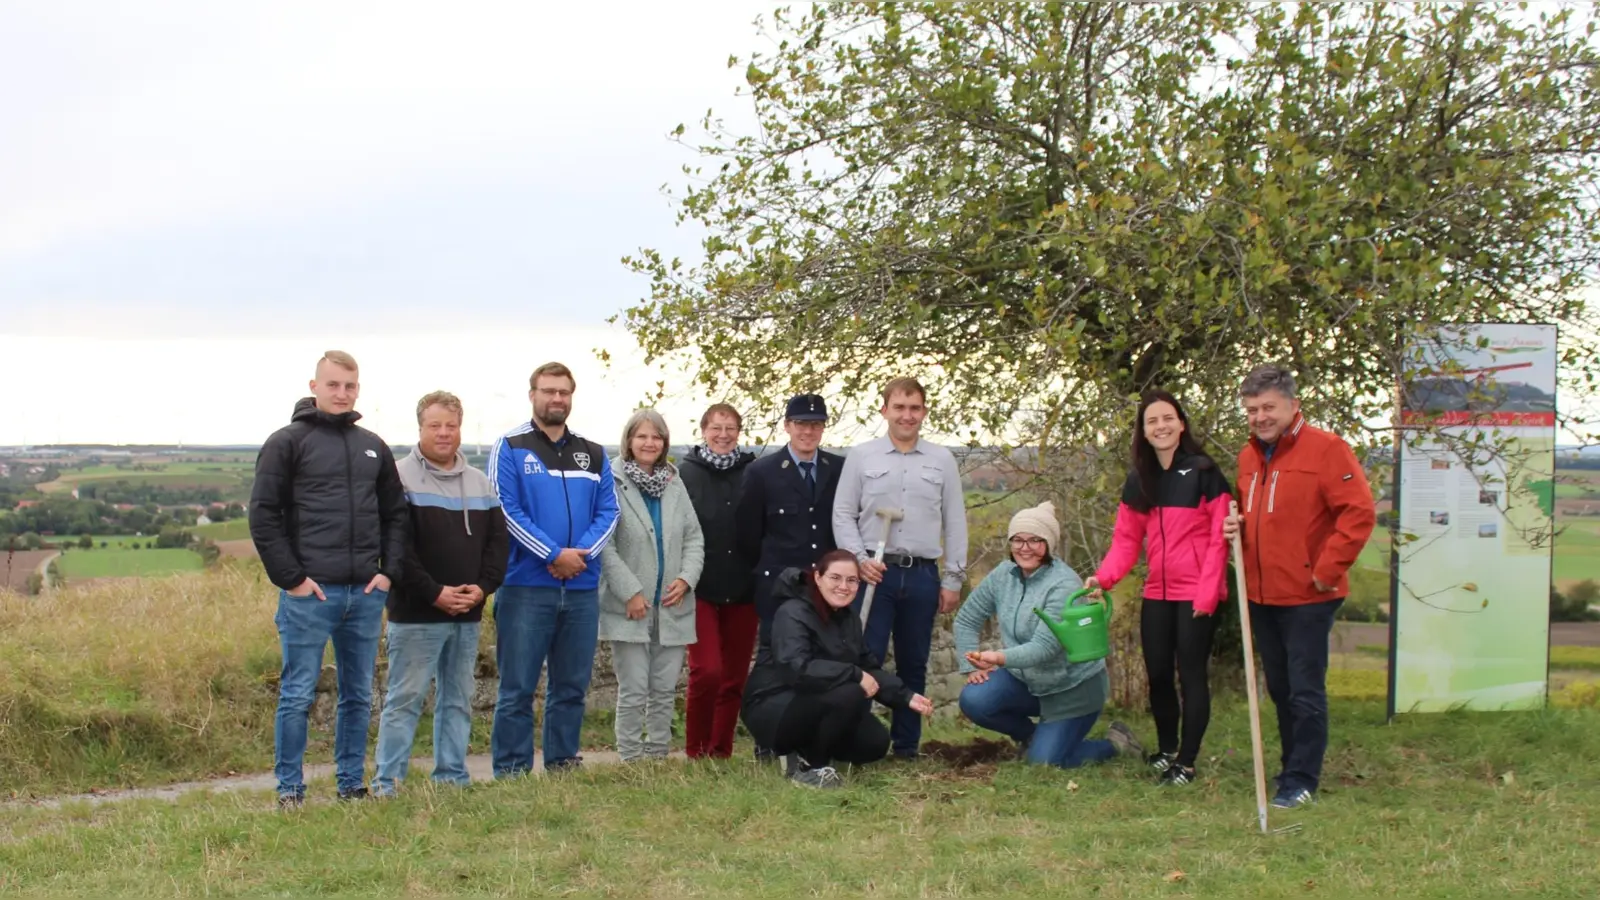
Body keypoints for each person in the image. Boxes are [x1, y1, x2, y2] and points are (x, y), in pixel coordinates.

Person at [248, 350, 407, 808]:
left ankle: (350, 786)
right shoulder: (286, 442)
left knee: (358, 696)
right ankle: (290, 790)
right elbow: (263, 515)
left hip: (365, 593)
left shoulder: (372, 445)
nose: (342, 393)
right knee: (297, 694)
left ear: (358, 389)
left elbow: (396, 515)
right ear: (314, 386)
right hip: (310, 594)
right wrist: (292, 579)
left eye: (350, 386)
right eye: (333, 384)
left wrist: (388, 573)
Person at [1222, 364, 1375, 810]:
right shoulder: (1248, 457)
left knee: (1305, 690)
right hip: (1261, 592)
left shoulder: (1327, 450)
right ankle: (1291, 767)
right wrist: (1236, 528)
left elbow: (1358, 513)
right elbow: (1256, 517)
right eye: (1252, 410)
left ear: (1292, 405)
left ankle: (1302, 780)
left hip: (1310, 594)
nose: (1260, 417)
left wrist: (1327, 570)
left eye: (1268, 407)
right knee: (1281, 688)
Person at [1084, 390, 1232, 786]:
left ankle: (1186, 763)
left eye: (1168, 418)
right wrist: (1104, 578)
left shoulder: (1204, 471)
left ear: (1181, 424)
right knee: (1159, 675)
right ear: (1144, 431)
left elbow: (1219, 539)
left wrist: (1209, 592)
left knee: (1192, 676)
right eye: (1152, 421)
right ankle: (1167, 750)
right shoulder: (1140, 480)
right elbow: (1126, 541)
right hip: (1157, 592)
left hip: (1197, 592)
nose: (1161, 426)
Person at [372, 391, 508, 797]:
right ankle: (388, 784)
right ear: (420, 428)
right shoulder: (397, 477)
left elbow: (498, 546)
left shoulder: (480, 483)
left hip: (467, 613)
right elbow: (396, 549)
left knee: (458, 700)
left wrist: (482, 589)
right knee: (404, 699)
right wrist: (434, 593)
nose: (444, 433)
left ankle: (451, 779)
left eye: (451, 425)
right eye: (435, 426)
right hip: (416, 614)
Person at [488, 361, 620, 776]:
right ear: (533, 395)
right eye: (548, 391)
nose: (557, 398)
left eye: (564, 392)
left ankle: (562, 761)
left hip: (581, 587)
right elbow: (505, 511)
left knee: (571, 686)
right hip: (526, 587)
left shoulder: (593, 453)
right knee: (517, 688)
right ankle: (512, 770)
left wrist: (579, 555)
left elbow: (609, 511)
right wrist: (552, 554)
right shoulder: (510, 446)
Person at [832, 377, 968, 759]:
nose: (907, 415)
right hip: (874, 574)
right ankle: (856, 744)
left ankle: (907, 747)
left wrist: (953, 577)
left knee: (914, 661)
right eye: (899, 407)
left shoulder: (941, 460)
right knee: (865, 659)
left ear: (924, 412)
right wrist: (859, 560)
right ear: (885, 410)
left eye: (914, 408)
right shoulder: (862, 456)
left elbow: (955, 521)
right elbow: (843, 513)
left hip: (922, 574)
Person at [955, 502, 1142, 769]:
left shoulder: (1063, 584)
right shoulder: (1002, 575)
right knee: (974, 699)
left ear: (1049, 544)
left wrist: (996, 657)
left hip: (1071, 689)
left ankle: (1116, 744)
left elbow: (1043, 648)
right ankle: (1032, 736)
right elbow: (967, 618)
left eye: (1035, 540)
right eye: (1017, 539)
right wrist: (969, 666)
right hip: (1027, 682)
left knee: (1044, 763)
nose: (1024, 547)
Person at [741, 549, 934, 788]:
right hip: (772, 704)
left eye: (852, 580)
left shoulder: (848, 618)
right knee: (850, 692)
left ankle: (802, 749)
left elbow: (867, 666)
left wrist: (905, 696)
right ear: (818, 577)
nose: (844, 586)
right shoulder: (792, 612)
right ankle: (811, 768)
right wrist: (854, 674)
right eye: (835, 578)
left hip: (814, 700)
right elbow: (796, 668)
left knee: (874, 742)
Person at [598, 409, 706, 761]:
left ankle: (658, 755)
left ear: (665, 443)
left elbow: (694, 538)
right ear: (629, 440)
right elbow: (604, 545)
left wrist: (686, 579)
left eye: (656, 437)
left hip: (673, 603)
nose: (649, 443)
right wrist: (629, 591)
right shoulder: (610, 482)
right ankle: (630, 758)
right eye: (642, 436)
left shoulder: (674, 483)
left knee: (663, 688)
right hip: (630, 604)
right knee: (633, 688)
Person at [678, 403, 759, 759]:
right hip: (700, 587)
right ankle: (696, 751)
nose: (723, 435)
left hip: (745, 588)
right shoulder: (685, 474)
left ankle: (720, 752)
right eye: (716, 428)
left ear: (739, 432)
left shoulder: (754, 472)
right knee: (707, 671)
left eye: (730, 428)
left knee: (734, 678)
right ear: (704, 431)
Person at [736, 393, 843, 632]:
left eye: (816, 424)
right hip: (780, 586)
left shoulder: (839, 469)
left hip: (828, 586)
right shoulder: (761, 472)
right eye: (801, 423)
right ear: (787, 426)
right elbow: (748, 536)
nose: (808, 431)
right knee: (779, 651)